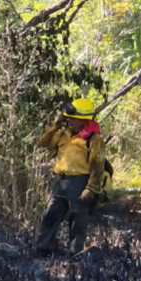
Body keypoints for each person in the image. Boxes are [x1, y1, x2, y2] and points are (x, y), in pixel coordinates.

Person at [33, 98, 107, 256]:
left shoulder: (94, 139)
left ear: (83, 120)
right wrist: (56, 124)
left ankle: (74, 254)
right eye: (67, 117)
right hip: (60, 181)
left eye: (72, 118)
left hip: (79, 182)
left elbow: (97, 166)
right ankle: (43, 248)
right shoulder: (63, 134)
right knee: (51, 215)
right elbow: (43, 142)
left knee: (78, 220)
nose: (69, 120)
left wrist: (91, 189)